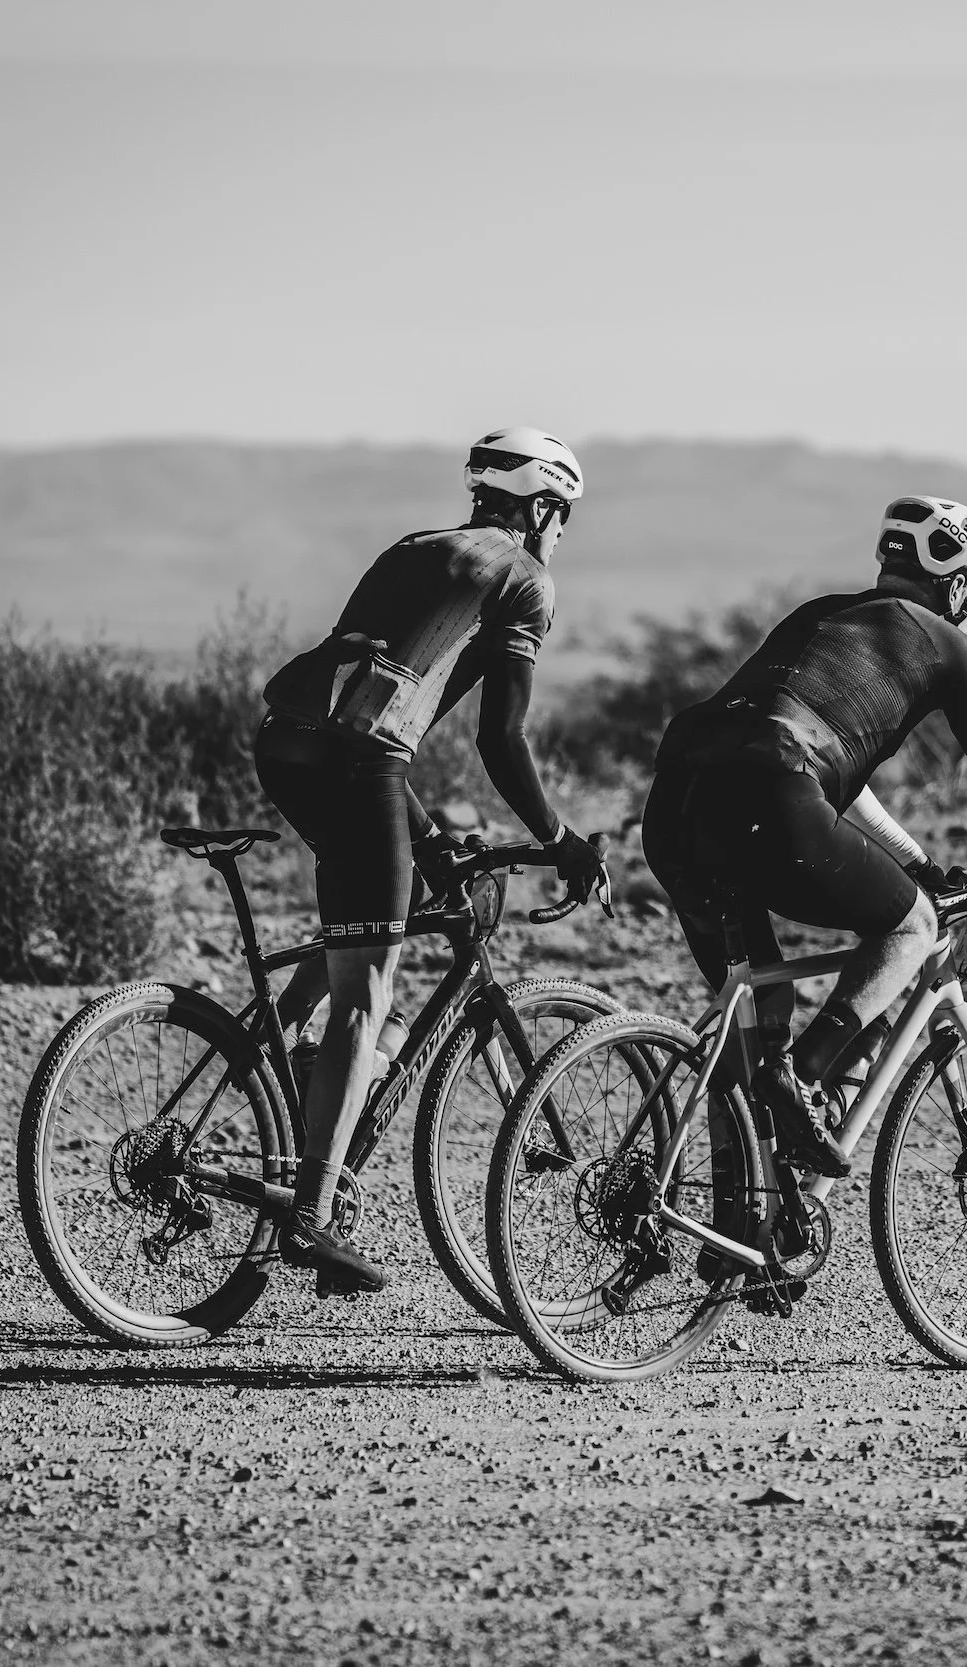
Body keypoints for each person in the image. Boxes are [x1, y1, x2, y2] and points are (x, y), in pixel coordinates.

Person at [642, 494, 967, 1186]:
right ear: (957, 584)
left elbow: (821, 769)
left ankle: (739, 1224)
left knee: (753, 1017)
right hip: (771, 795)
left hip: (675, 807)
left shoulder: (819, 615)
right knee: (913, 925)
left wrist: (917, 861)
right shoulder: (943, 642)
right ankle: (806, 1078)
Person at [253, 425, 605, 1295]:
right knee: (367, 994)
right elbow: (502, 739)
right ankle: (312, 1214)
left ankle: (278, 1048)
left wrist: (434, 838)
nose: (561, 533)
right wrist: (559, 837)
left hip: (288, 746)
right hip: (362, 763)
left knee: (378, 912)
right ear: (544, 509)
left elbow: (362, 698)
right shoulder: (524, 578)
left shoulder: (416, 547)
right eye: (563, 516)